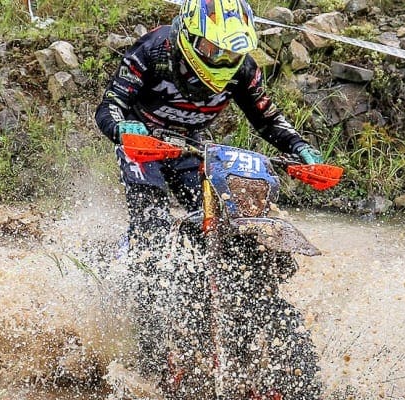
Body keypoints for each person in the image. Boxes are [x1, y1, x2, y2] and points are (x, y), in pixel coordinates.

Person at [94, 0, 324, 379]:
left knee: (229, 217)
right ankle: (148, 337)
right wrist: (122, 128)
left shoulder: (242, 70)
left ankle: (233, 298)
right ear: (189, 35)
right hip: (144, 144)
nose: (222, 59)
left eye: (232, 51)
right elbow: (111, 104)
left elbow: (267, 118)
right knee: (151, 227)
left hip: (192, 146)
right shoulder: (153, 50)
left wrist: (299, 148)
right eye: (214, 49)